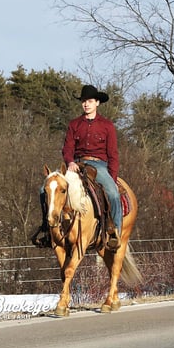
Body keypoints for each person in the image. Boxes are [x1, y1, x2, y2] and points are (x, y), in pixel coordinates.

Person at [32, 84, 122, 251]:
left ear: (97, 103)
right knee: (44, 190)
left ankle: (114, 232)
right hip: (75, 164)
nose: (86, 104)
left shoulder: (107, 126)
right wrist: (70, 162)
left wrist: (113, 178)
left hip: (98, 165)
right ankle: (47, 227)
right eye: (83, 101)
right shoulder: (74, 124)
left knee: (113, 194)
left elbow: (113, 154)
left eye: (89, 101)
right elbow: (67, 148)